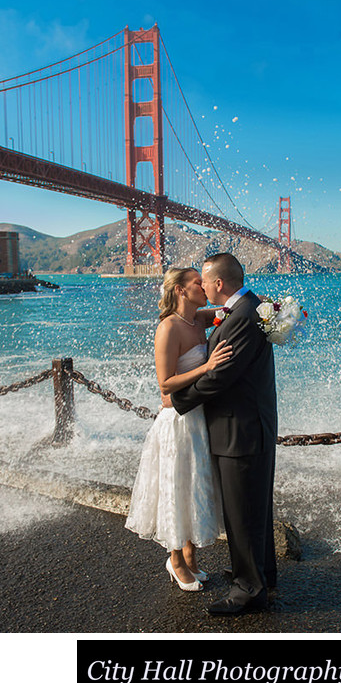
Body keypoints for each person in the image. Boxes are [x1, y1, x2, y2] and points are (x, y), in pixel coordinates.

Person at [172, 253, 278, 615]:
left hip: (240, 429)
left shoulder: (244, 316)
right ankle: (261, 573)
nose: (201, 286)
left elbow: (220, 377)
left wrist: (178, 399)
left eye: (204, 280)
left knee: (242, 510)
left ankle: (248, 589)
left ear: (219, 284)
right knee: (254, 505)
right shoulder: (249, 307)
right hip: (250, 425)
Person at [125, 267, 232, 592]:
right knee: (176, 488)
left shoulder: (198, 320)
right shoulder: (168, 327)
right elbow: (165, 384)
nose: (203, 286)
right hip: (176, 423)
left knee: (195, 486)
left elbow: (232, 306)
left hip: (198, 419)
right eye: (197, 283)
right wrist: (207, 366)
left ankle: (191, 556)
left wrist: (276, 310)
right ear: (181, 291)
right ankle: (175, 560)